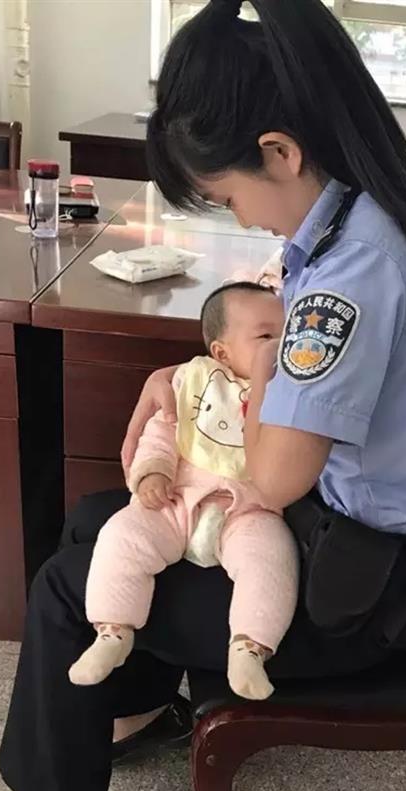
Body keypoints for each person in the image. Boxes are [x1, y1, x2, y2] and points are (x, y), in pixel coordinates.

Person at [0, 1, 406, 791]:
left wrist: (196, 401)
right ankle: (139, 712)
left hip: (366, 589)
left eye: (228, 196)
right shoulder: (353, 225)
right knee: (94, 520)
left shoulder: (350, 274)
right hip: (345, 535)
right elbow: (273, 360)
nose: (243, 219)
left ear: (281, 152)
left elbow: (277, 472)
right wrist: (175, 379)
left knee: (71, 583)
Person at [68, 283, 298, 701]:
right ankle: (113, 630)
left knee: (270, 557)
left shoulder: (292, 390)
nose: (280, 345)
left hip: (247, 509)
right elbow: (160, 432)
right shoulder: (193, 381)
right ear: (222, 352)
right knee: (122, 535)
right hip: (178, 497)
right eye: (266, 336)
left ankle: (249, 646)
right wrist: (152, 473)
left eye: (287, 333)